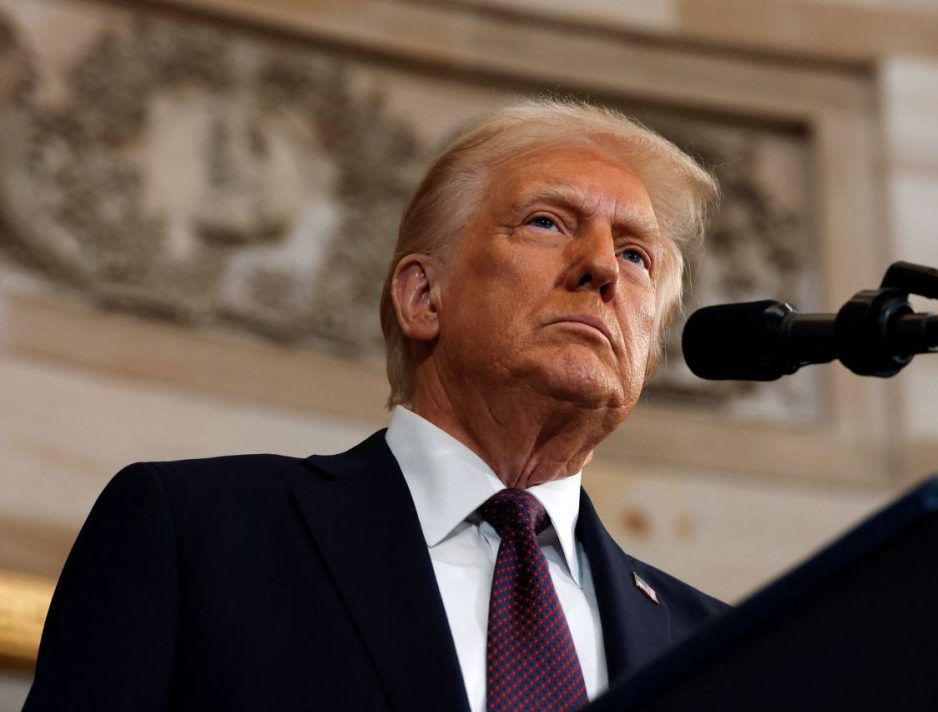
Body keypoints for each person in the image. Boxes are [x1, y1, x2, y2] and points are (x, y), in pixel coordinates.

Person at [24, 99, 730, 711]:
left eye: (637, 256)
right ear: (423, 297)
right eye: (547, 222)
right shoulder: (198, 536)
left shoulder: (716, 648)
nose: (602, 267)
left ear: (648, 350)